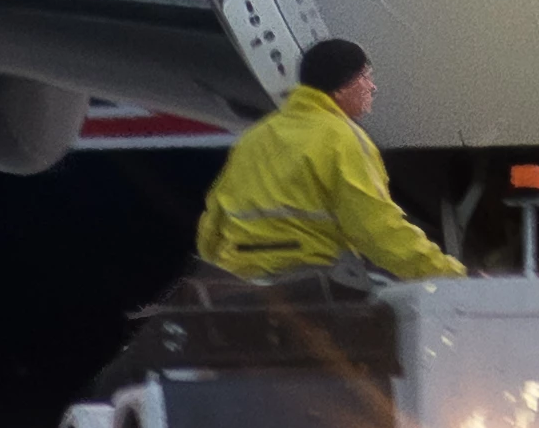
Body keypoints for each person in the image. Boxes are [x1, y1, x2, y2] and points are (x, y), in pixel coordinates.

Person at [191, 38, 465, 283]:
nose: (373, 87)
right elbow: (377, 231)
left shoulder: (255, 137)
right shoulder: (342, 139)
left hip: (240, 284)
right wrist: (448, 275)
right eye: (366, 77)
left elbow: (212, 223)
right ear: (341, 88)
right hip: (308, 286)